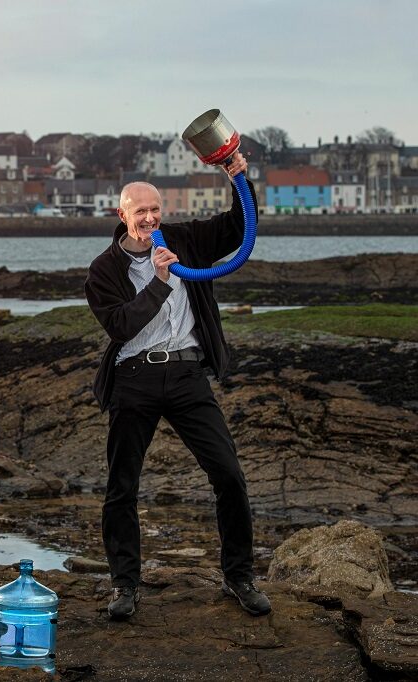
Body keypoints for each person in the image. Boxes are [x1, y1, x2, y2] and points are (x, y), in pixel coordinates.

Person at [84, 150, 271, 619]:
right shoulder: (103, 270)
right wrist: (162, 281)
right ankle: (124, 586)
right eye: (139, 211)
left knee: (228, 474)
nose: (148, 218)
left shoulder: (186, 239)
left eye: (154, 210)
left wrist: (238, 176)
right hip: (134, 377)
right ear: (121, 214)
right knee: (122, 487)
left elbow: (237, 225)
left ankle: (239, 576)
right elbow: (121, 325)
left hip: (187, 373)